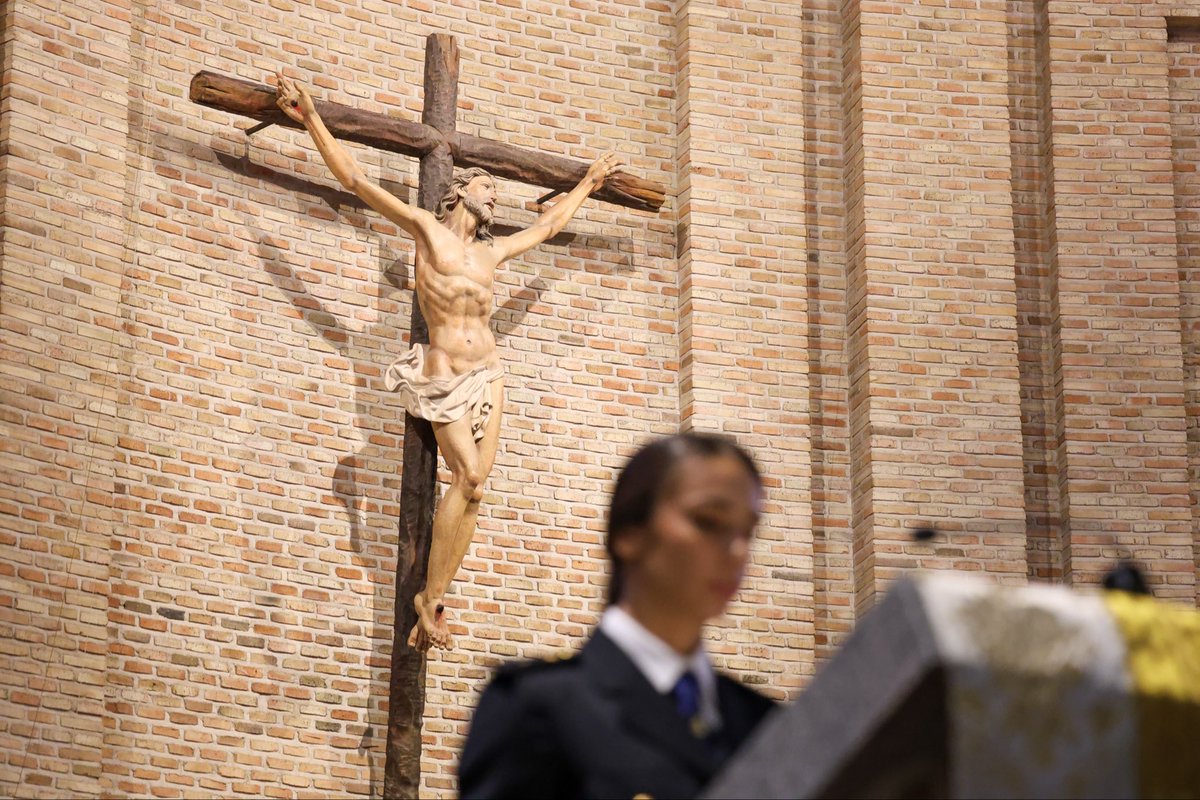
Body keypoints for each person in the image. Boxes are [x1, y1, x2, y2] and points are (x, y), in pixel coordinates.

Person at [273, 73, 625, 652]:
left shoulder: (492, 251)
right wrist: (311, 118)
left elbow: (549, 224)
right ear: (459, 192)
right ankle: (426, 597)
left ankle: (433, 599)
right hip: (442, 372)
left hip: (489, 371)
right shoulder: (426, 232)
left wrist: (588, 181)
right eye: (487, 186)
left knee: (477, 485)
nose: (496, 195)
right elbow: (357, 179)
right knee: (471, 475)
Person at [458, 433, 778, 799]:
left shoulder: (763, 722)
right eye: (708, 521)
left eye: (747, 531)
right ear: (629, 534)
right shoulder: (541, 706)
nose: (737, 551)